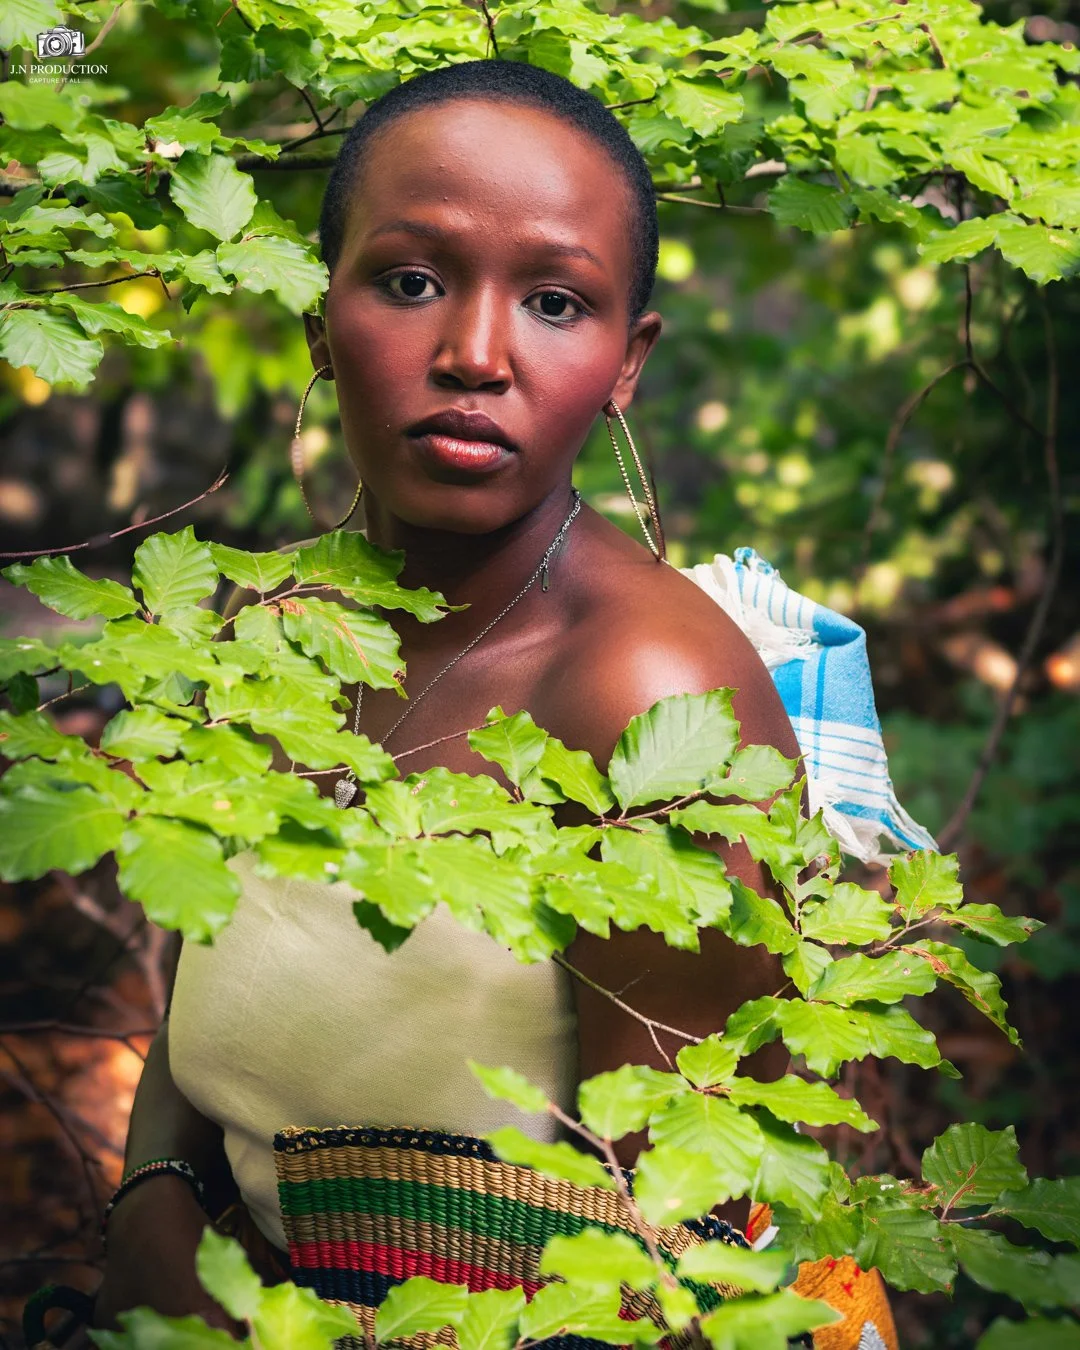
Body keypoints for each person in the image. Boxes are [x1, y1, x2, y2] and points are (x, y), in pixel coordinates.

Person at [93, 60, 893, 1349]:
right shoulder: (263, 637)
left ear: (627, 365)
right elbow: (194, 1033)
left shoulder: (644, 698)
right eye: (411, 281)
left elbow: (669, 1257)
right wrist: (152, 1207)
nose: (473, 354)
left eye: (556, 302)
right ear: (319, 322)